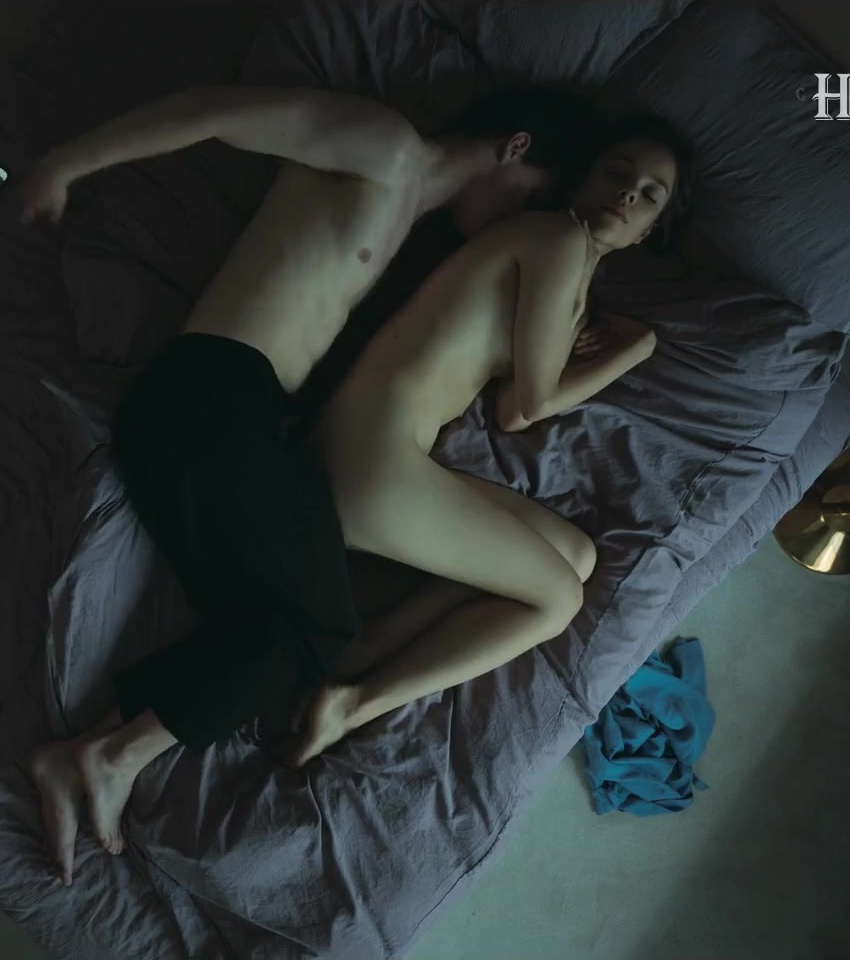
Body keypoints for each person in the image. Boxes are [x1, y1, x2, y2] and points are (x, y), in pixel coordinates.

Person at [14, 83, 603, 885]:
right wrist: (66, 163)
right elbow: (217, 112)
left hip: (248, 420)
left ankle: (86, 754)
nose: (517, 219)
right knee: (317, 626)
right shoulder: (388, 147)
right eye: (530, 197)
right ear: (515, 147)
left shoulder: (414, 227)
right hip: (207, 396)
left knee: (283, 626)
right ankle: (113, 756)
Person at [282, 115, 695, 767]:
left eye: (649, 194)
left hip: (382, 457)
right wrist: (634, 350)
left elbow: (509, 414)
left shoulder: (574, 282)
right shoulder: (556, 236)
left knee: (576, 555)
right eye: (616, 173)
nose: (627, 193)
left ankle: (360, 651)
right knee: (558, 599)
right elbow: (533, 403)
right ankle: (355, 702)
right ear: (581, 179)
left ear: (649, 230)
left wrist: (591, 339)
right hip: (368, 459)